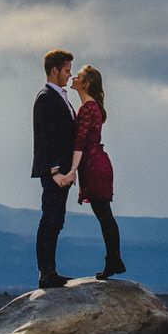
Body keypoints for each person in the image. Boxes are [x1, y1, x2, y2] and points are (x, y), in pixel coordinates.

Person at [65, 65, 124, 279]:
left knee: (104, 215)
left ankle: (114, 261)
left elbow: (80, 142)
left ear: (86, 83)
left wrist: (72, 170)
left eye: (78, 76)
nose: (73, 77)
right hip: (98, 163)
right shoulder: (93, 107)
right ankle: (114, 260)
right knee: (105, 215)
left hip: (93, 165)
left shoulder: (87, 108)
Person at [31, 48, 78, 289]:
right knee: (50, 218)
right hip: (55, 173)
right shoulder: (46, 97)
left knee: (56, 219)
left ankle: (51, 270)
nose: (70, 75)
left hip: (63, 172)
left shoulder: (60, 96)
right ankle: (46, 272)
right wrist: (54, 170)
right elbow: (45, 137)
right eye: (67, 71)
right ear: (55, 70)